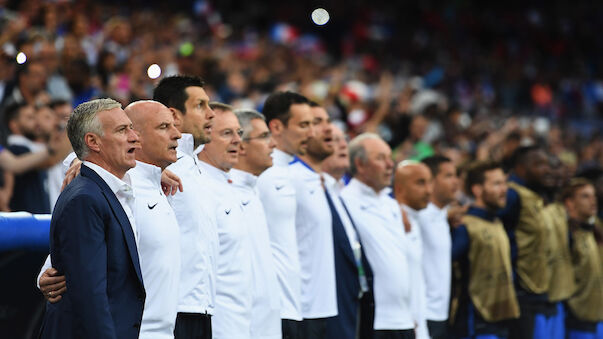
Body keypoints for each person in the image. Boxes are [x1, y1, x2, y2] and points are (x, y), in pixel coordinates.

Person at [37, 100, 183, 338]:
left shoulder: (123, 187)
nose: (134, 137)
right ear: (94, 142)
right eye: (123, 130)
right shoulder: (91, 194)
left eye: (131, 129)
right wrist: (48, 268)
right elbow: (88, 291)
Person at [154, 75, 217, 339]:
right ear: (173, 115)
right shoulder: (153, 162)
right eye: (201, 105)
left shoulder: (196, 167)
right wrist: (78, 161)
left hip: (204, 308)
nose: (211, 114)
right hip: (172, 311)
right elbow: (95, 160)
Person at [341, 133, 415, 339]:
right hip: (374, 321)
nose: (390, 165)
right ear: (360, 164)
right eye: (381, 158)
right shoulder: (345, 202)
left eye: (390, 158)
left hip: (405, 319)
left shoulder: (391, 205)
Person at [256, 91, 314, 339]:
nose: (311, 133)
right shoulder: (261, 175)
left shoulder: (290, 173)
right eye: (303, 125)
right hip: (274, 308)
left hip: (296, 304)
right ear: (276, 126)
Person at [196, 103, 252, 338]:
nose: (237, 140)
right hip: (217, 326)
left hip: (247, 322)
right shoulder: (192, 185)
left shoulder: (236, 183)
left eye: (239, 133)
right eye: (227, 133)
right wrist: (76, 161)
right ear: (204, 137)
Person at [450, 160, 520, 339]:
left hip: (500, 318)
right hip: (476, 323)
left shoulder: (497, 222)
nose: (504, 189)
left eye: (504, 183)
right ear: (477, 190)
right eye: (496, 184)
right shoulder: (466, 226)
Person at [288, 102, 338, 338]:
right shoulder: (288, 176)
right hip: (301, 308)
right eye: (316, 123)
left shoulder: (328, 183)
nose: (328, 129)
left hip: (327, 306)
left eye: (328, 121)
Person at [231, 108, 282, 339]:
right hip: (243, 327)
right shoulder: (227, 194)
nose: (273, 145)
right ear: (240, 144)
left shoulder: (253, 190)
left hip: (268, 324)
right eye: (263, 137)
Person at [497, 146, 555, 339]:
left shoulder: (533, 194)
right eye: (539, 164)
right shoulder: (513, 195)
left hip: (535, 291)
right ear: (521, 168)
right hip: (520, 291)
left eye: (547, 164)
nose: (546, 169)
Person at [323, 124, 374, 339]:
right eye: (333, 140)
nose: (344, 144)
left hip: (356, 300)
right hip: (328, 306)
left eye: (344, 138)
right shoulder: (313, 191)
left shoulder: (341, 193)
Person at [418, 155, 458, 339]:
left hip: (442, 314)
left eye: (455, 175)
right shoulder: (418, 217)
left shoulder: (442, 214)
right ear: (431, 181)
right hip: (423, 315)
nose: (456, 182)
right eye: (448, 176)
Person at [393, 161, 432, 339]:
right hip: (402, 324)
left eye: (429, 182)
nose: (429, 190)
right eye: (420, 183)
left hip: (420, 322)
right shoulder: (393, 221)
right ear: (399, 188)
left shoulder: (414, 220)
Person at [562, 179, 603, 339]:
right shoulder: (567, 233)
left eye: (593, 196)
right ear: (570, 203)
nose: (593, 201)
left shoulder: (596, 228)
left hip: (598, 316)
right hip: (577, 316)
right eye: (585, 196)